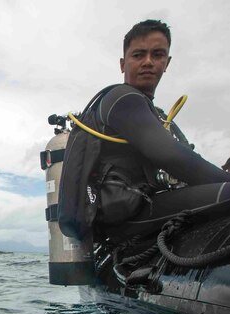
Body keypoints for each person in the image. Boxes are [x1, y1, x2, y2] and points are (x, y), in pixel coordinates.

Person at [59, 19, 230, 243]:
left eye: (157, 55)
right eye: (138, 55)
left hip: (140, 208)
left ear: (167, 62)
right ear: (123, 64)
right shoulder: (122, 98)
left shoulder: (154, 113)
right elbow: (169, 155)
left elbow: (184, 163)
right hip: (125, 217)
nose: (148, 62)